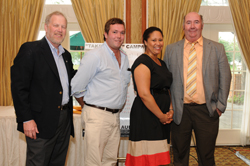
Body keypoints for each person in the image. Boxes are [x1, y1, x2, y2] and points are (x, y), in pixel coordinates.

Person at [163, 12, 231, 166]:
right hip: (180, 112)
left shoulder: (217, 48)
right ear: (183, 26)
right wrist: (170, 107)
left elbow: (225, 77)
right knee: (179, 156)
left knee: (206, 157)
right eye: (188, 22)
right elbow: (165, 81)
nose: (192, 26)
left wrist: (220, 107)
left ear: (202, 25)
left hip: (207, 111)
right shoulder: (171, 49)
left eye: (196, 22)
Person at [11, 11, 75, 166]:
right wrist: (26, 119)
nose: (60, 30)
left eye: (63, 27)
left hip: (64, 120)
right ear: (46, 27)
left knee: (57, 162)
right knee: (37, 163)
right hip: (39, 122)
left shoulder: (66, 55)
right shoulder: (30, 50)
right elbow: (19, 87)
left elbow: (71, 83)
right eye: (56, 25)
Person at [71, 18, 131, 166]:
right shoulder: (95, 56)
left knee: (110, 161)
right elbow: (75, 86)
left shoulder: (124, 57)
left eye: (122, 32)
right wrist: (88, 106)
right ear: (105, 34)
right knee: (94, 162)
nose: (119, 36)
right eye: (114, 32)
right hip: (97, 116)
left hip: (115, 116)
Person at [125, 27, 173, 166]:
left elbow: (166, 88)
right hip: (147, 116)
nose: (158, 43)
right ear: (145, 42)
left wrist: (170, 110)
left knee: (159, 159)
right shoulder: (142, 62)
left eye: (160, 39)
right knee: (146, 159)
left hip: (162, 115)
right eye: (153, 40)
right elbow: (144, 94)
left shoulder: (161, 63)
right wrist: (161, 116)